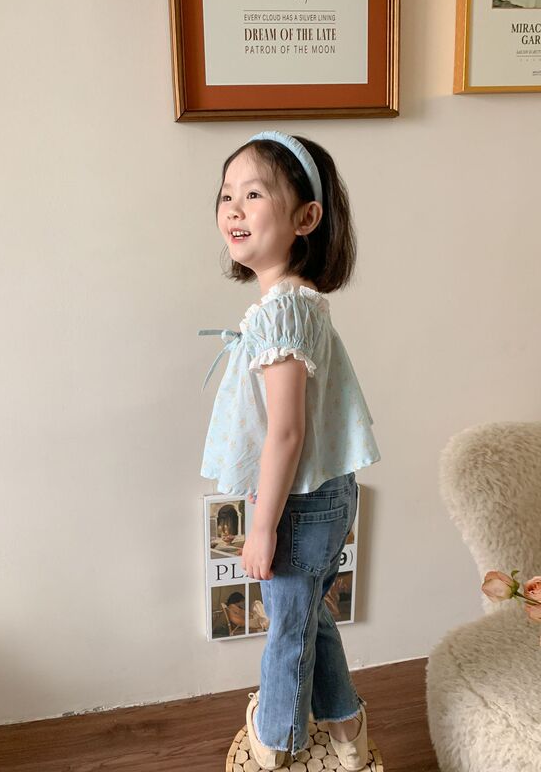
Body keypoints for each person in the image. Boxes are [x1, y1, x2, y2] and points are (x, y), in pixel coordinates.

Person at [198, 131, 381, 771]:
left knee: (287, 632)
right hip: (317, 495)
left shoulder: (283, 311)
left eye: (254, 194)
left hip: (300, 503)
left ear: (306, 218)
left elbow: (286, 433)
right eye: (227, 194)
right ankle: (346, 722)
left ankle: (278, 740)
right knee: (307, 617)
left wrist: (261, 527)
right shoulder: (292, 303)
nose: (233, 208)